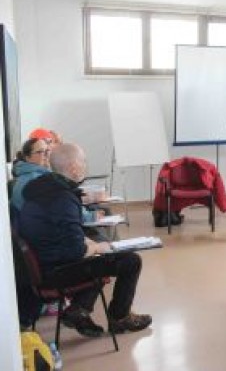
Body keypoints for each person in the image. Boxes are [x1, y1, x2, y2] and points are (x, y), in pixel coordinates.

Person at [19, 143, 152, 337]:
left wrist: (91, 244)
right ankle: (120, 319)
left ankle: (78, 310)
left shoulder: (42, 188)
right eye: (83, 162)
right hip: (54, 272)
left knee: (99, 251)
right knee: (130, 261)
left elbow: (61, 231)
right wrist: (97, 247)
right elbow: (75, 251)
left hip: (43, 263)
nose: (85, 166)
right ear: (73, 167)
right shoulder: (63, 197)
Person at [10, 138, 51, 210]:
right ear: (28, 158)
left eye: (47, 151)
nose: (46, 155)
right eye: (40, 151)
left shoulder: (37, 175)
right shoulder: (34, 179)